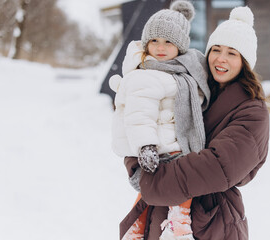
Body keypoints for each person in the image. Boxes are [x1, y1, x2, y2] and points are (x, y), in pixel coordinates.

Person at [120, 6, 270, 240]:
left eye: (232, 53)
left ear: (245, 62)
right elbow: (143, 126)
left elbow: (218, 166)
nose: (221, 58)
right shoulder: (192, 89)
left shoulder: (252, 111)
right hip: (160, 214)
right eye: (216, 50)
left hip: (210, 221)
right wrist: (138, 158)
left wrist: (153, 181)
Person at [109, 1, 210, 239]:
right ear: (146, 43)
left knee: (155, 191)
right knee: (188, 177)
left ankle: (136, 225)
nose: (161, 48)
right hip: (159, 151)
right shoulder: (146, 75)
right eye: (154, 41)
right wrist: (146, 146)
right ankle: (179, 223)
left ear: (181, 46)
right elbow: (139, 115)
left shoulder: (179, 74)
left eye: (168, 42)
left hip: (170, 146)